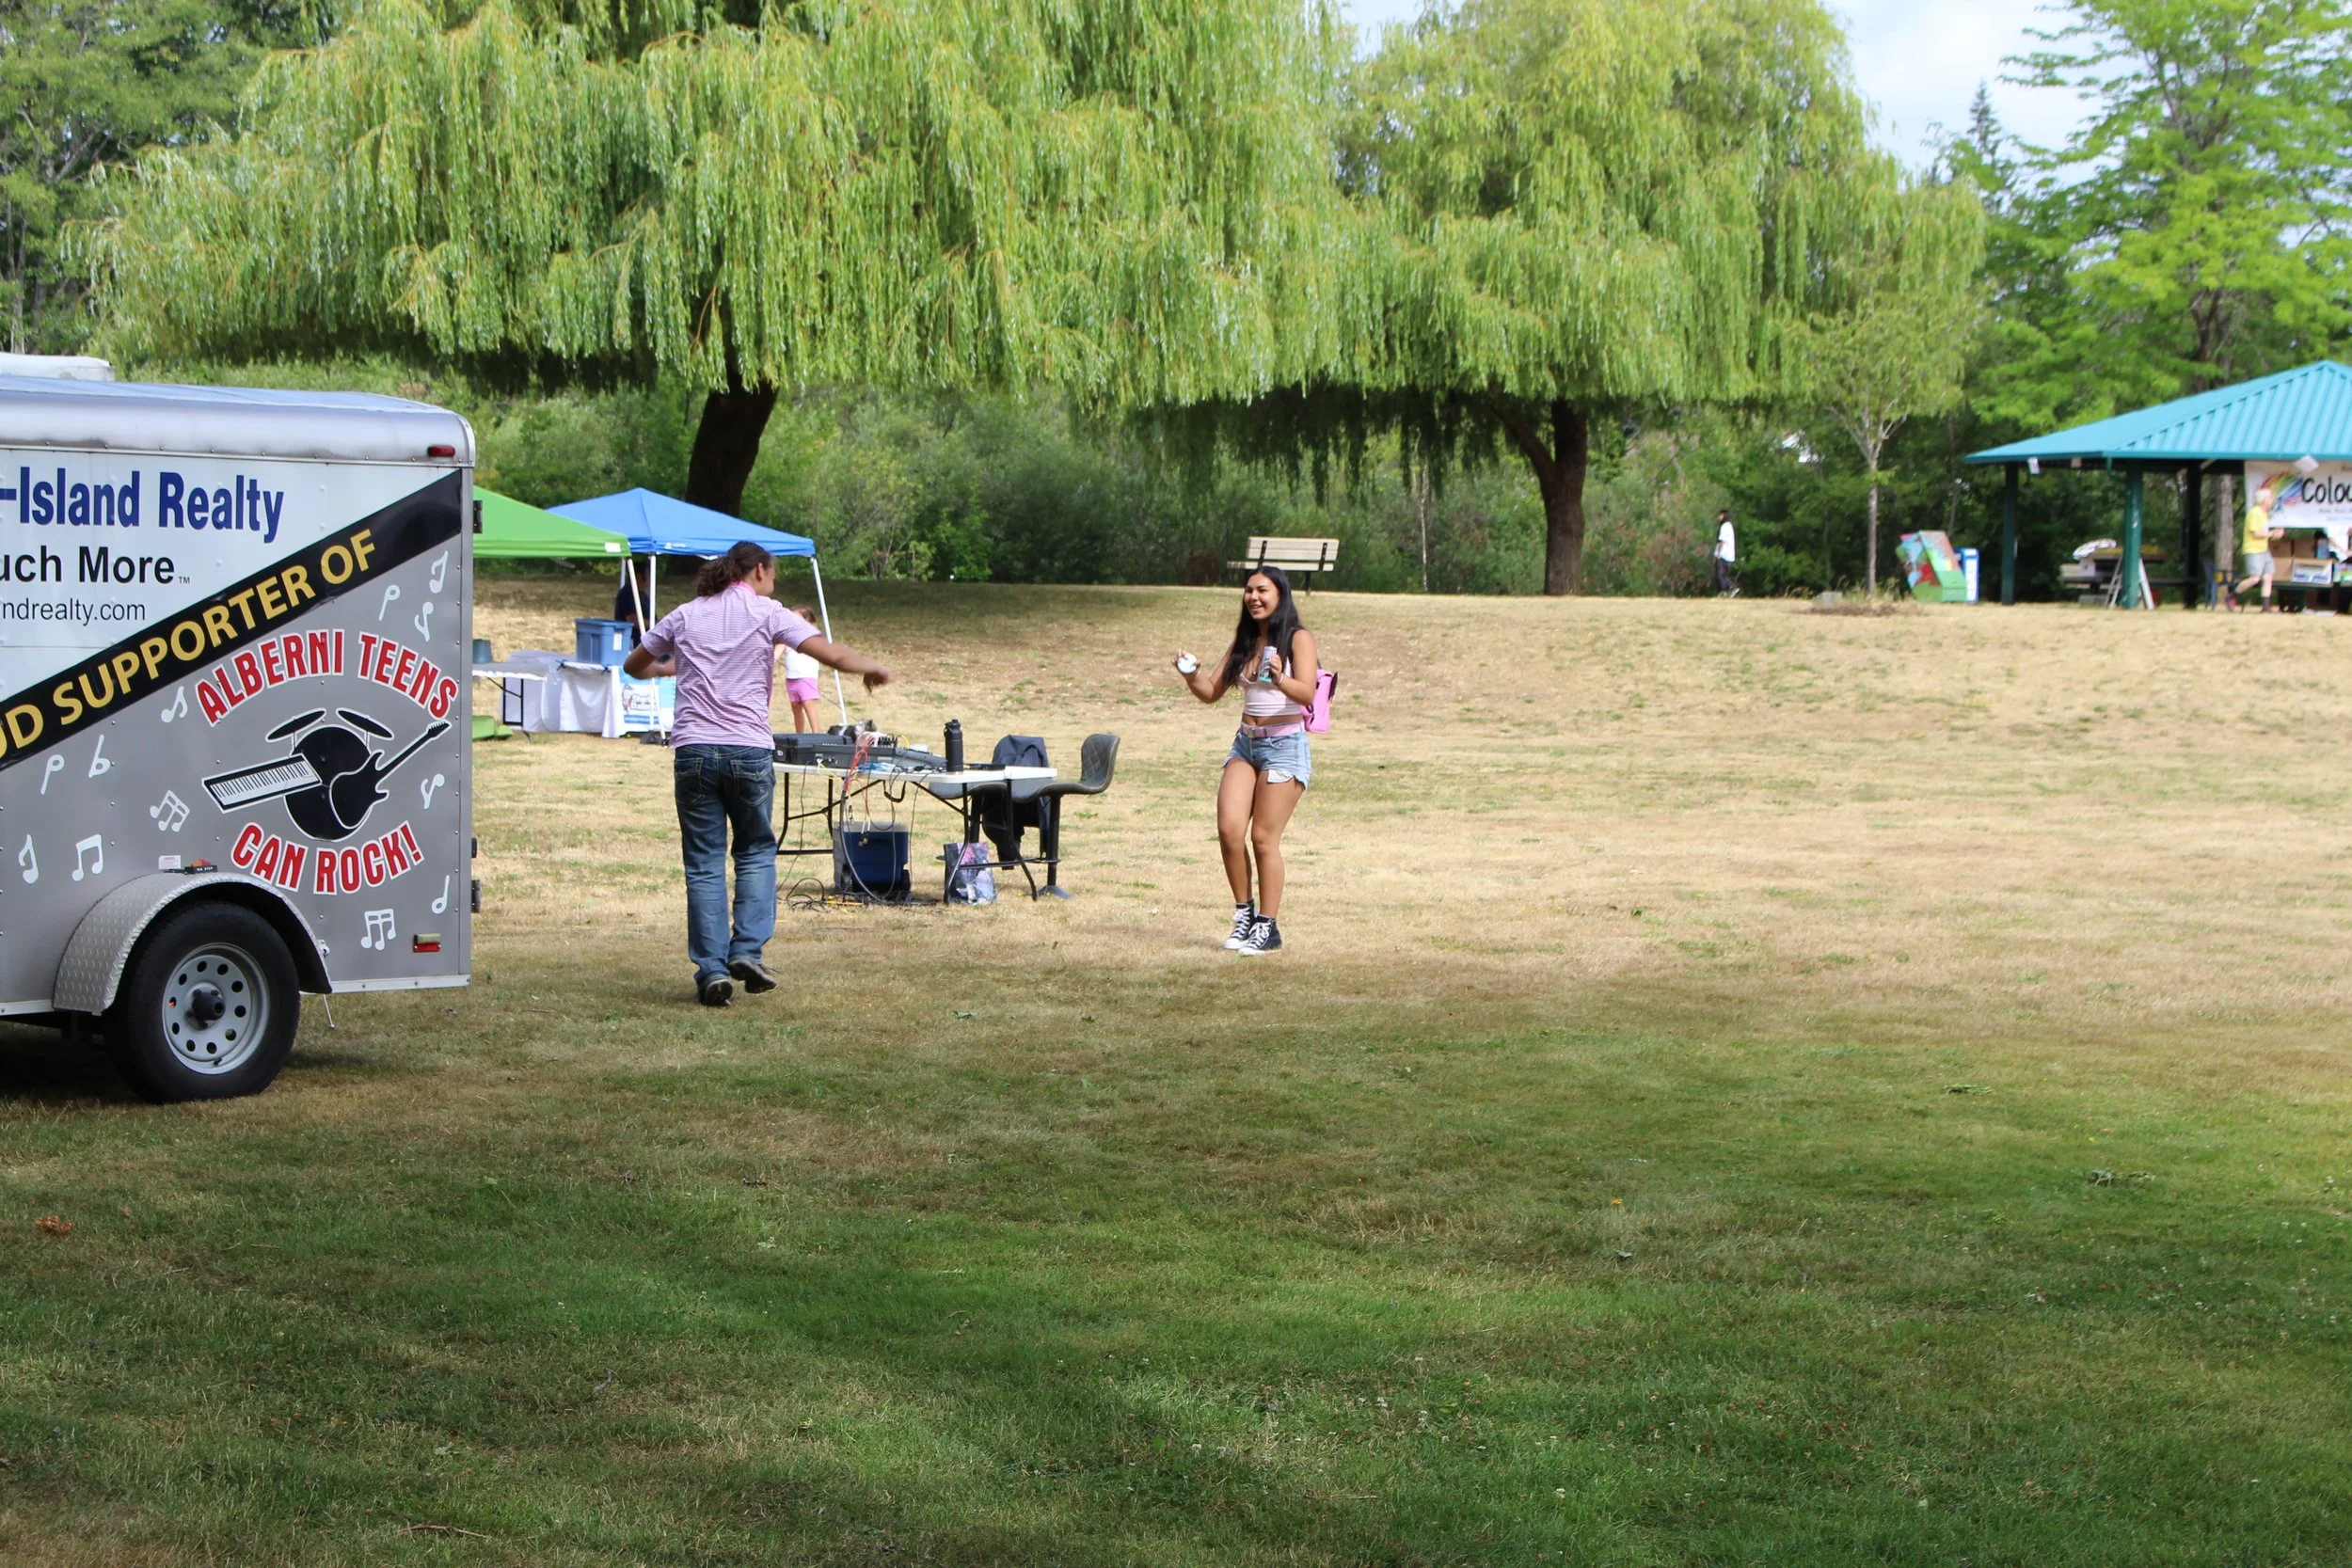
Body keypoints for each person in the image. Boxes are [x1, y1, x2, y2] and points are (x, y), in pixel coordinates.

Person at [624, 542, 892, 1006]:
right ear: (760, 571)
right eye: (774, 575)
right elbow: (827, 653)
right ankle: (745, 950)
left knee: (705, 863)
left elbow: (635, 665)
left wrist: (673, 667)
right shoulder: (769, 613)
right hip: (748, 750)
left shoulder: (685, 615)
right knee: (753, 853)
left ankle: (711, 971)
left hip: (694, 752)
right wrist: (871, 667)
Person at [1173, 567, 1320, 956]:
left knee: (1263, 839)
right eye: (1248, 591)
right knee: (1228, 829)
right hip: (1246, 745)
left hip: (1284, 746)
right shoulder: (1244, 640)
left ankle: (1268, 927)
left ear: (1280, 594)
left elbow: (1307, 693)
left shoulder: (1297, 638)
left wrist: (1279, 677)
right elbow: (1210, 692)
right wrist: (1191, 675)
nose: (1253, 597)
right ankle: (1245, 915)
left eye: (1262, 590)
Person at [2232, 483, 2281, 610]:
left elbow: (2265, 533)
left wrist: (2275, 534)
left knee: (2268, 576)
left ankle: (2265, 607)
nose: (2272, 500)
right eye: (2270, 498)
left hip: (2263, 550)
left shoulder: (2264, 514)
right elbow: (2255, 533)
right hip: (2253, 550)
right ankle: (2232, 596)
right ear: (2264, 500)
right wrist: (2271, 533)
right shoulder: (2255, 513)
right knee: (2254, 579)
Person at [783, 605, 824, 732]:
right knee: (795, 705)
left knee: (808, 703)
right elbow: (780, 648)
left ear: (806, 620)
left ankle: (816, 734)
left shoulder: (811, 635)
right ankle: (799, 734)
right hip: (792, 676)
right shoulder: (787, 636)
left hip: (806, 676)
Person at [612, 559, 654, 632]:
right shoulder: (627, 593)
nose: (650, 578)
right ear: (639, 576)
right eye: (648, 575)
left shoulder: (643, 595)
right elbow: (633, 621)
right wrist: (655, 625)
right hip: (633, 640)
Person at [1714, 509, 1738, 596]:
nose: (1718, 517)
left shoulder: (1724, 526)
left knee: (1719, 575)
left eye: (1720, 515)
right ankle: (1724, 591)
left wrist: (1719, 554)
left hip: (1723, 554)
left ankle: (1730, 588)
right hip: (1730, 555)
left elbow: (1722, 541)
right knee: (1723, 575)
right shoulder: (1730, 526)